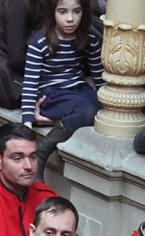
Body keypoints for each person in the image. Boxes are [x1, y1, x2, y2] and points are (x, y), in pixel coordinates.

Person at [19, 0, 102, 137]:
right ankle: (46, 145)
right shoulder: (39, 42)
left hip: (79, 89)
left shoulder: (89, 38)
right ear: (52, 12)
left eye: (77, 11)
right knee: (87, 111)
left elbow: (99, 77)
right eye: (62, 12)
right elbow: (30, 84)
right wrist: (27, 122)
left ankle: (57, 122)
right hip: (52, 95)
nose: (70, 19)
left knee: (104, 110)